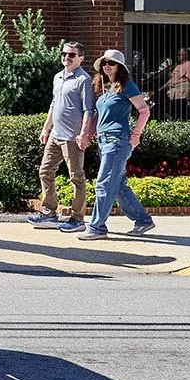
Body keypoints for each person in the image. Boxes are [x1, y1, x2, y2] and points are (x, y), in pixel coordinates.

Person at [69, 49, 155, 239]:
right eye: (105, 63)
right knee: (118, 185)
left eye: (111, 63)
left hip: (117, 141)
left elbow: (144, 110)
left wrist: (135, 136)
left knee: (105, 184)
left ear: (120, 67)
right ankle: (143, 220)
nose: (107, 66)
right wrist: (89, 133)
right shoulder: (107, 88)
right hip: (105, 141)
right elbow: (100, 115)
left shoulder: (127, 86)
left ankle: (97, 227)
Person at [32, 40, 94, 226]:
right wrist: (46, 127)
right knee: (45, 171)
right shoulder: (58, 77)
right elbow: (54, 104)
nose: (66, 57)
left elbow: (88, 110)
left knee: (76, 177)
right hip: (55, 135)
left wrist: (83, 134)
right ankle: (49, 212)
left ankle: (77, 218)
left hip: (72, 138)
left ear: (80, 58)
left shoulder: (83, 80)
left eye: (71, 55)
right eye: (64, 54)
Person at [163, 47, 190, 120]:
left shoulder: (189, 64)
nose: (178, 56)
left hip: (182, 92)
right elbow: (172, 79)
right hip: (173, 92)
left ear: (186, 55)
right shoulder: (177, 66)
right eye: (177, 55)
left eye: (180, 55)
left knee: (181, 111)